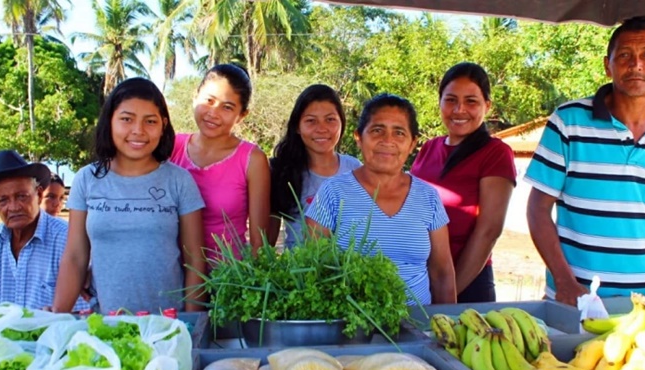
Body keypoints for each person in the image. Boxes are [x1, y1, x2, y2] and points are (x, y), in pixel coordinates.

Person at [524, 16, 645, 315]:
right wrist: (564, 281)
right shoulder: (568, 122)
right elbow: (537, 208)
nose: (636, 65)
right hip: (575, 299)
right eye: (624, 55)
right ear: (607, 65)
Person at [53, 78, 207, 313]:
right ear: (110, 121)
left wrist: (190, 326)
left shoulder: (180, 181)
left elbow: (195, 260)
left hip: (167, 325)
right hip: (106, 325)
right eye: (126, 119)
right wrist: (57, 317)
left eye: (150, 121)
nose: (138, 131)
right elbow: (75, 257)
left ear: (163, 124)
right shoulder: (87, 179)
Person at [306, 93, 457, 305]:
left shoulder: (428, 197)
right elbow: (314, 268)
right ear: (359, 137)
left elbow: (442, 273)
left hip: (418, 327)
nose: (388, 141)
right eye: (377, 131)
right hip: (352, 328)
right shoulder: (332, 193)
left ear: (412, 143)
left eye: (399, 133)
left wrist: (446, 328)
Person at [411, 63, 517, 303]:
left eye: (471, 101)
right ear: (439, 102)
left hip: (465, 283)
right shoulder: (429, 147)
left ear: (487, 106)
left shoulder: (496, 153)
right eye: (450, 100)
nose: (459, 110)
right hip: (420, 279)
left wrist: (447, 292)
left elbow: (489, 230)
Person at [170, 64, 270, 261]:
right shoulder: (171, 147)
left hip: (226, 280)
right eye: (209, 100)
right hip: (171, 277)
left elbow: (259, 242)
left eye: (227, 107)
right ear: (195, 96)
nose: (213, 113)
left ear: (241, 116)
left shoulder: (252, 160)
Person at [0, 150, 86, 310]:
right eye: (3, 200)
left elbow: (81, 313)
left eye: (22, 196)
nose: (14, 207)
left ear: (38, 194)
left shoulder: (66, 239)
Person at [268, 84, 361, 248]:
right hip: (298, 270)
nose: (322, 129)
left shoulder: (355, 169)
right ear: (297, 126)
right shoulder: (281, 172)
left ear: (342, 123)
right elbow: (267, 242)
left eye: (330, 120)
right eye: (311, 121)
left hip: (349, 270)